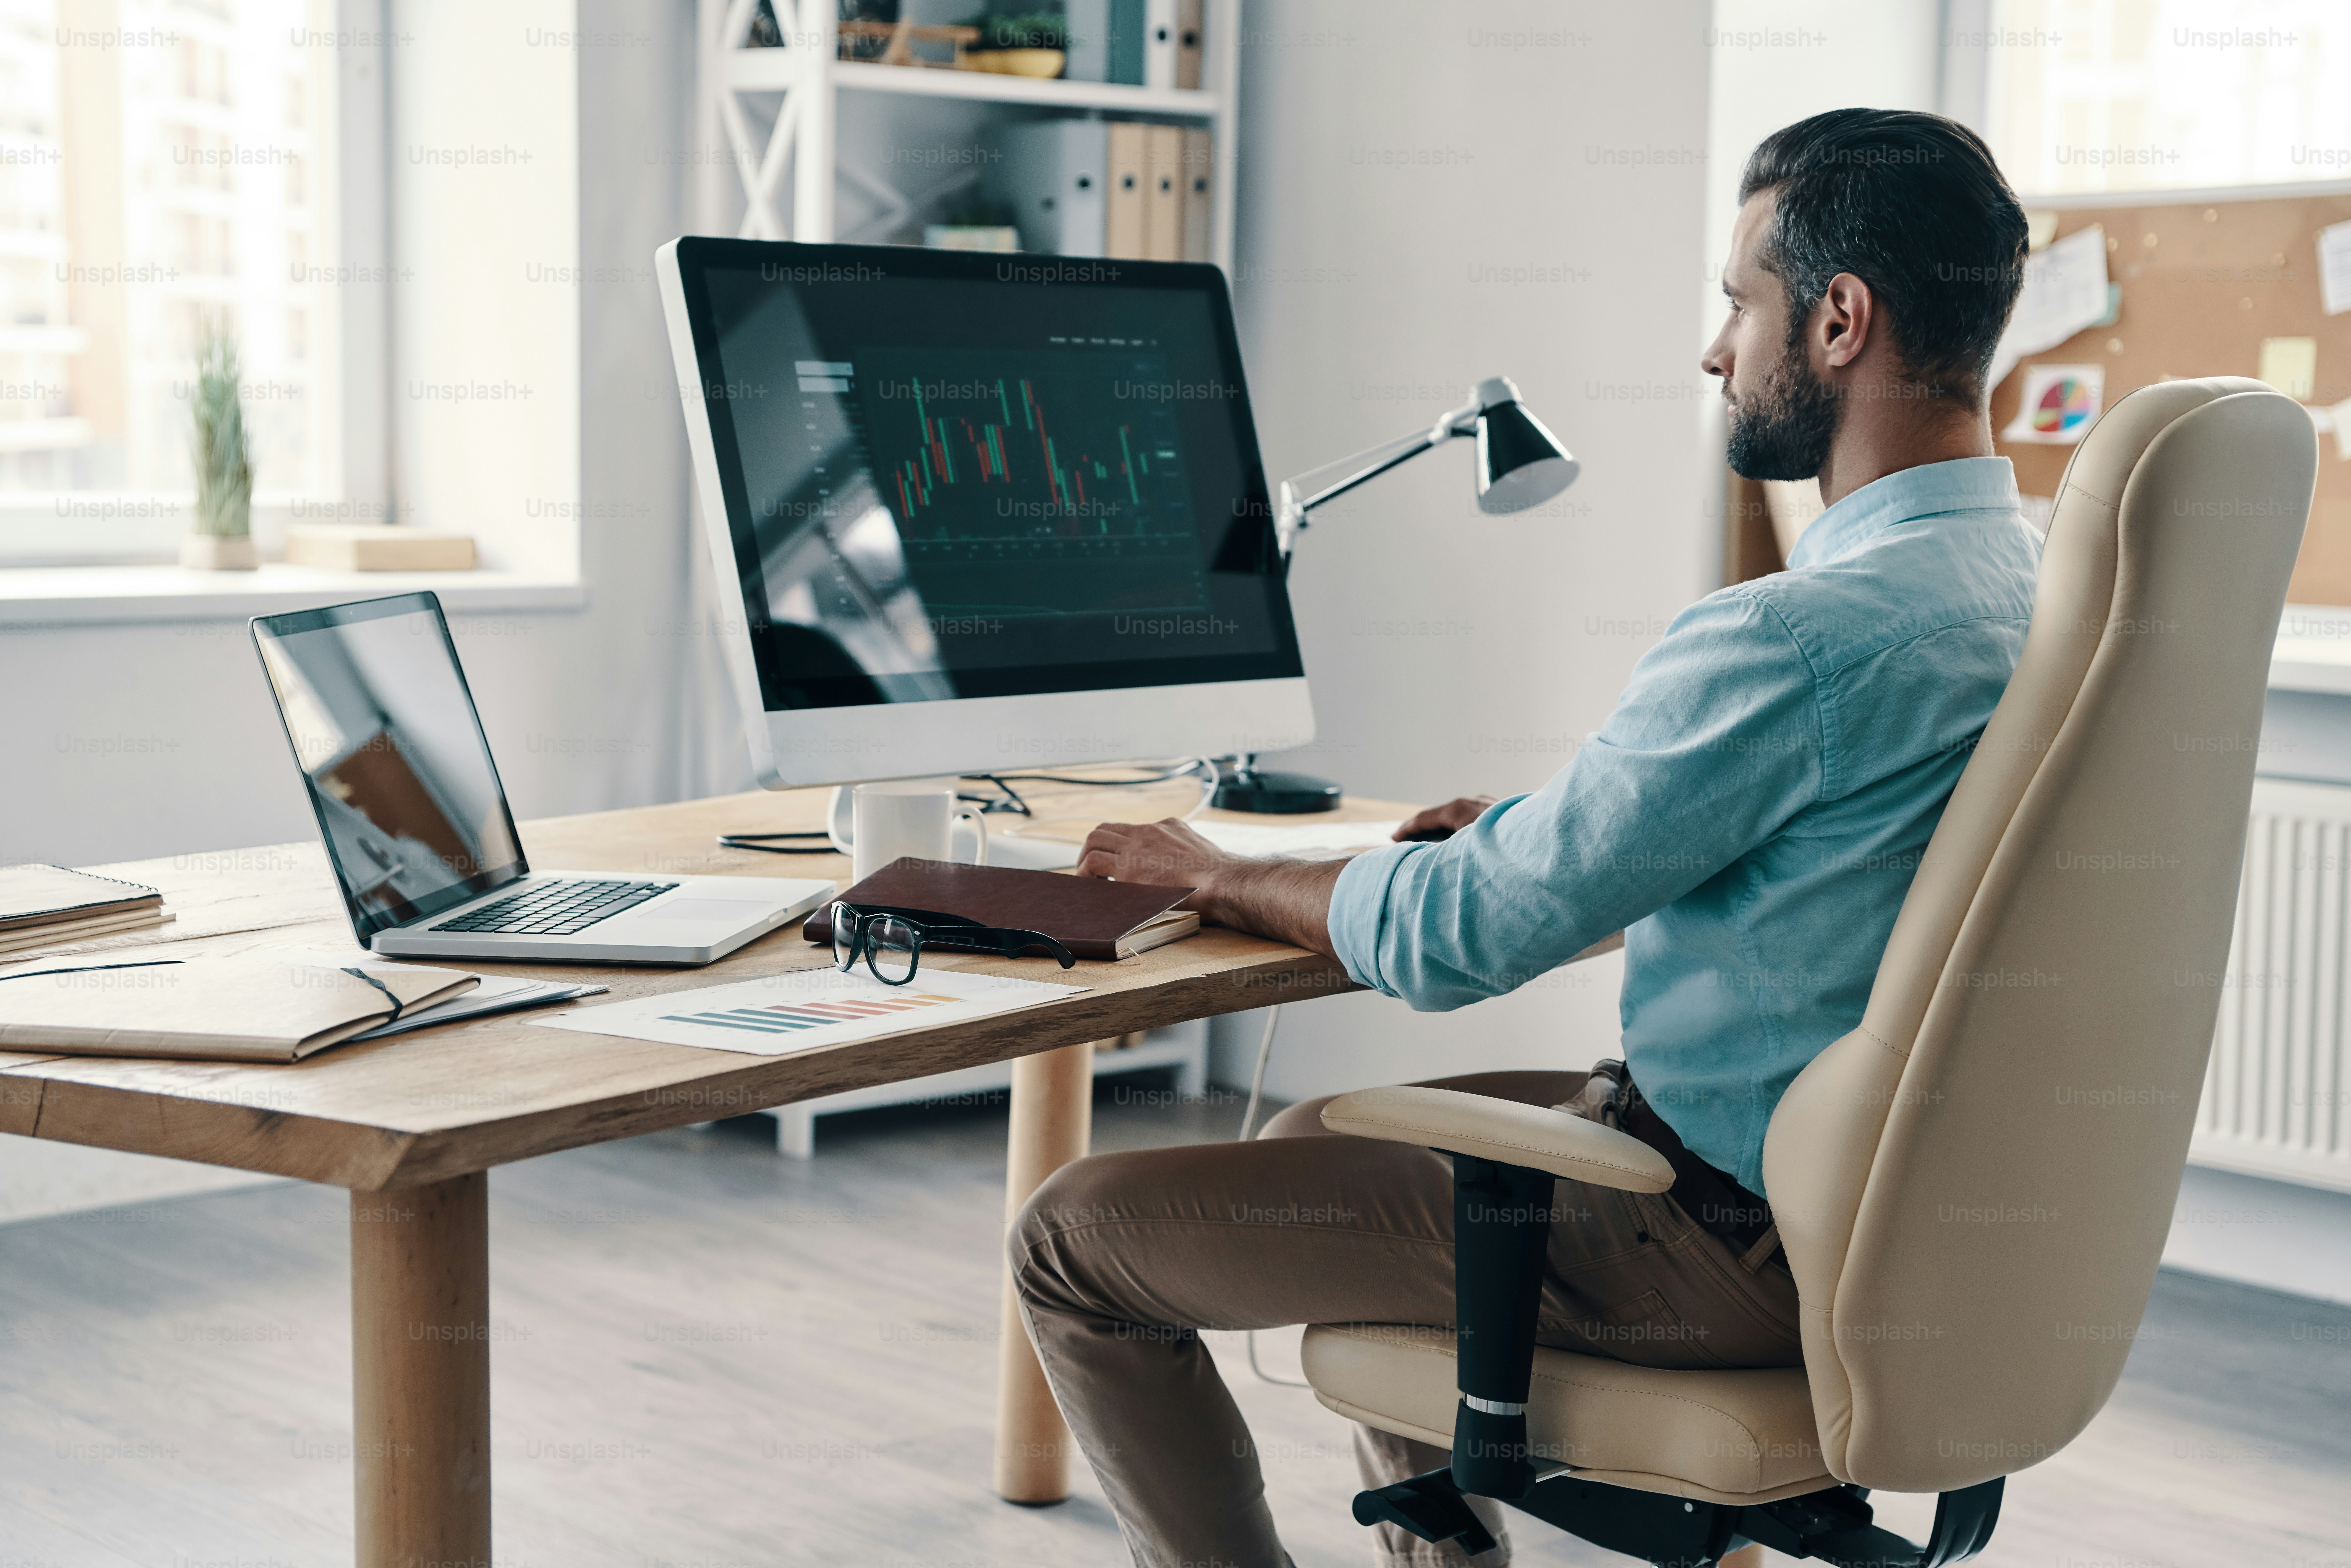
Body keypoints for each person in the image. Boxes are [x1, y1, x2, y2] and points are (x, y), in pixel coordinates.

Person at [1013, 107, 2039, 1568]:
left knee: (1071, 1237)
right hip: (1898, 1218)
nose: (1712, 352)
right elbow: (1855, 858)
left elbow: (1460, 938)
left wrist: (1217, 871)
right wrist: (1552, 831)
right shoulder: (2031, 585)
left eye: (1735, 304)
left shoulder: (1800, 633)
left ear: (1836, 322)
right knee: (1316, 1140)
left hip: (1718, 1237)